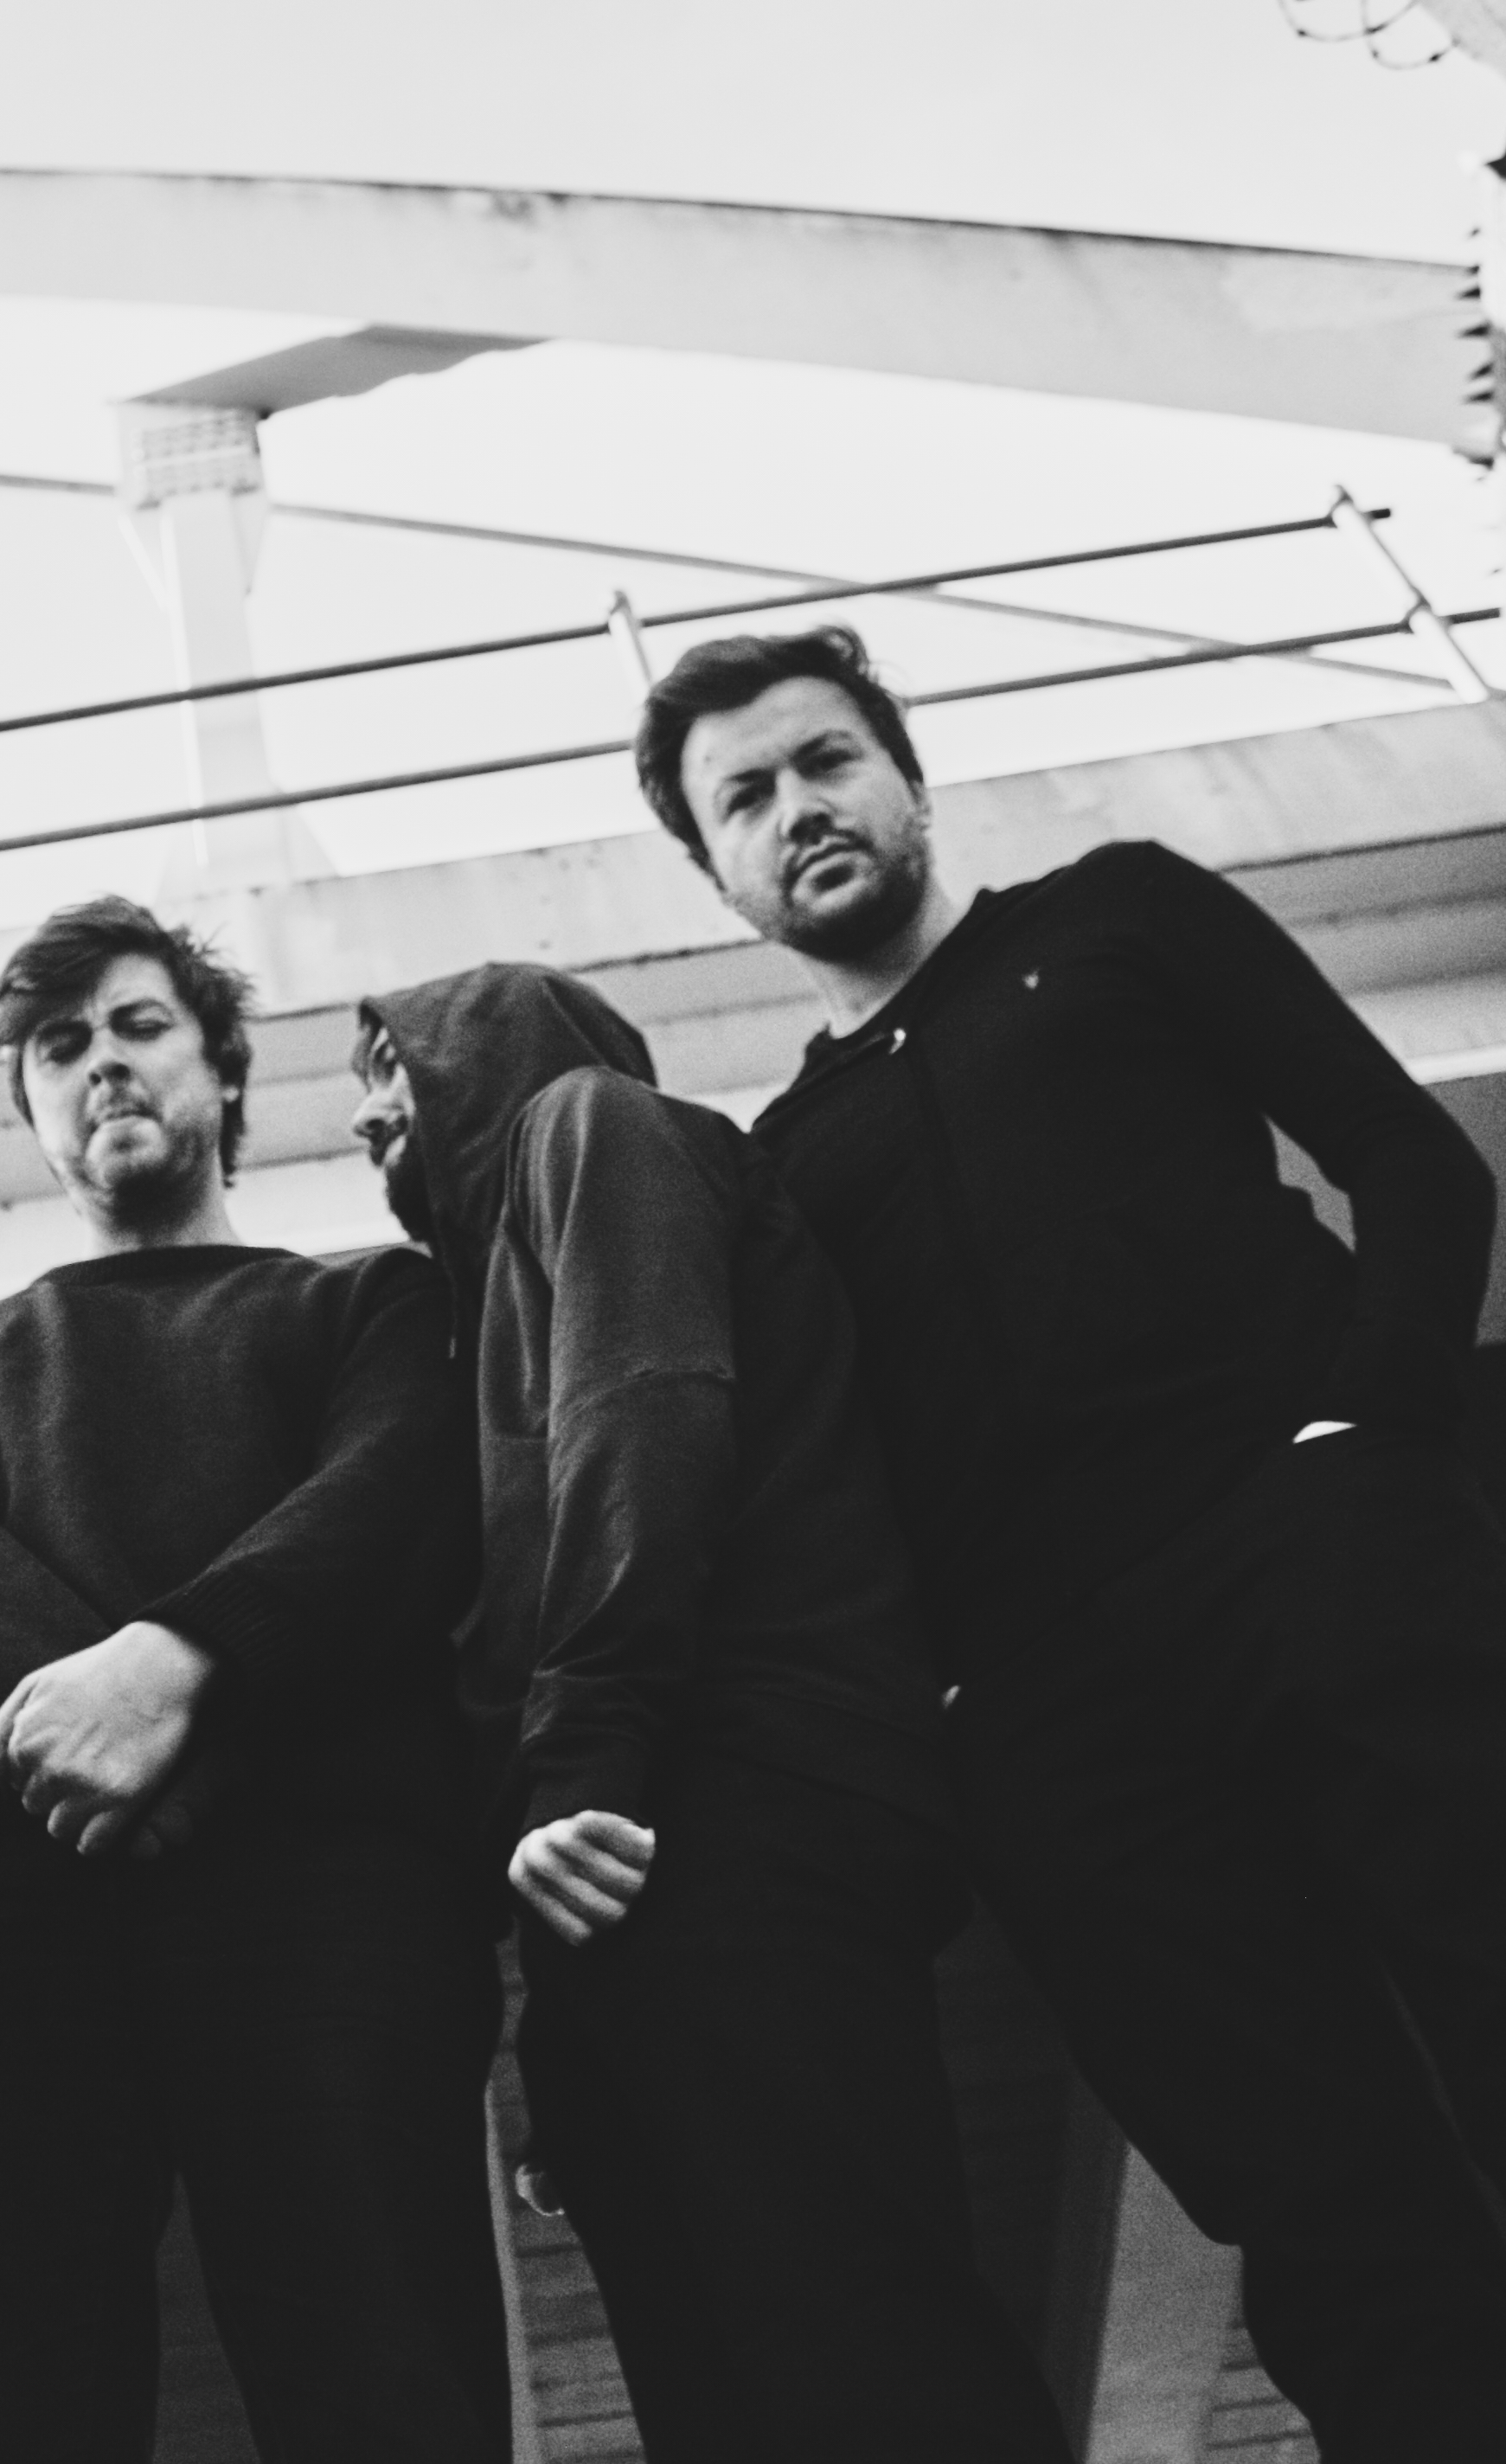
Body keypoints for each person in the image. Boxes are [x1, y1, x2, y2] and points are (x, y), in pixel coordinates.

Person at [648, 624, 1506, 2463]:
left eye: (822, 761)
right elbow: (817, 1487)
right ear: (713, 874)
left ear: (904, 775)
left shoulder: (1115, 917)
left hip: (1324, 1552)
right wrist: (963, 1701)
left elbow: (1413, 1158)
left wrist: (1367, 1446)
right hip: (1061, 1727)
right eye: (746, 797)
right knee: (1335, 2232)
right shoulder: (784, 1160)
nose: (797, 807)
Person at [348, 960, 1072, 2463]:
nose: (367, 1113)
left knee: (865, 2350)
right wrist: (566, 2018)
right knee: (729, 2392)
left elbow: (649, 1404)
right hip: (643, 1850)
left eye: (390, 1063)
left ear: (482, 1050)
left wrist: (581, 1759)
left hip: (728, 1798)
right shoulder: (476, 1312)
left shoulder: (591, 1124)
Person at [0, 896, 508, 2464]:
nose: (102, 1067)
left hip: (327, 1888)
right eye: (60, 1049)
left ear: (222, 1070)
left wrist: (177, 1669)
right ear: (32, 1110)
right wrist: (98, 1723)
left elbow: (400, 1504)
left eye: (139, 1028)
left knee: (385, 2382)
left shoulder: (371, 1303)